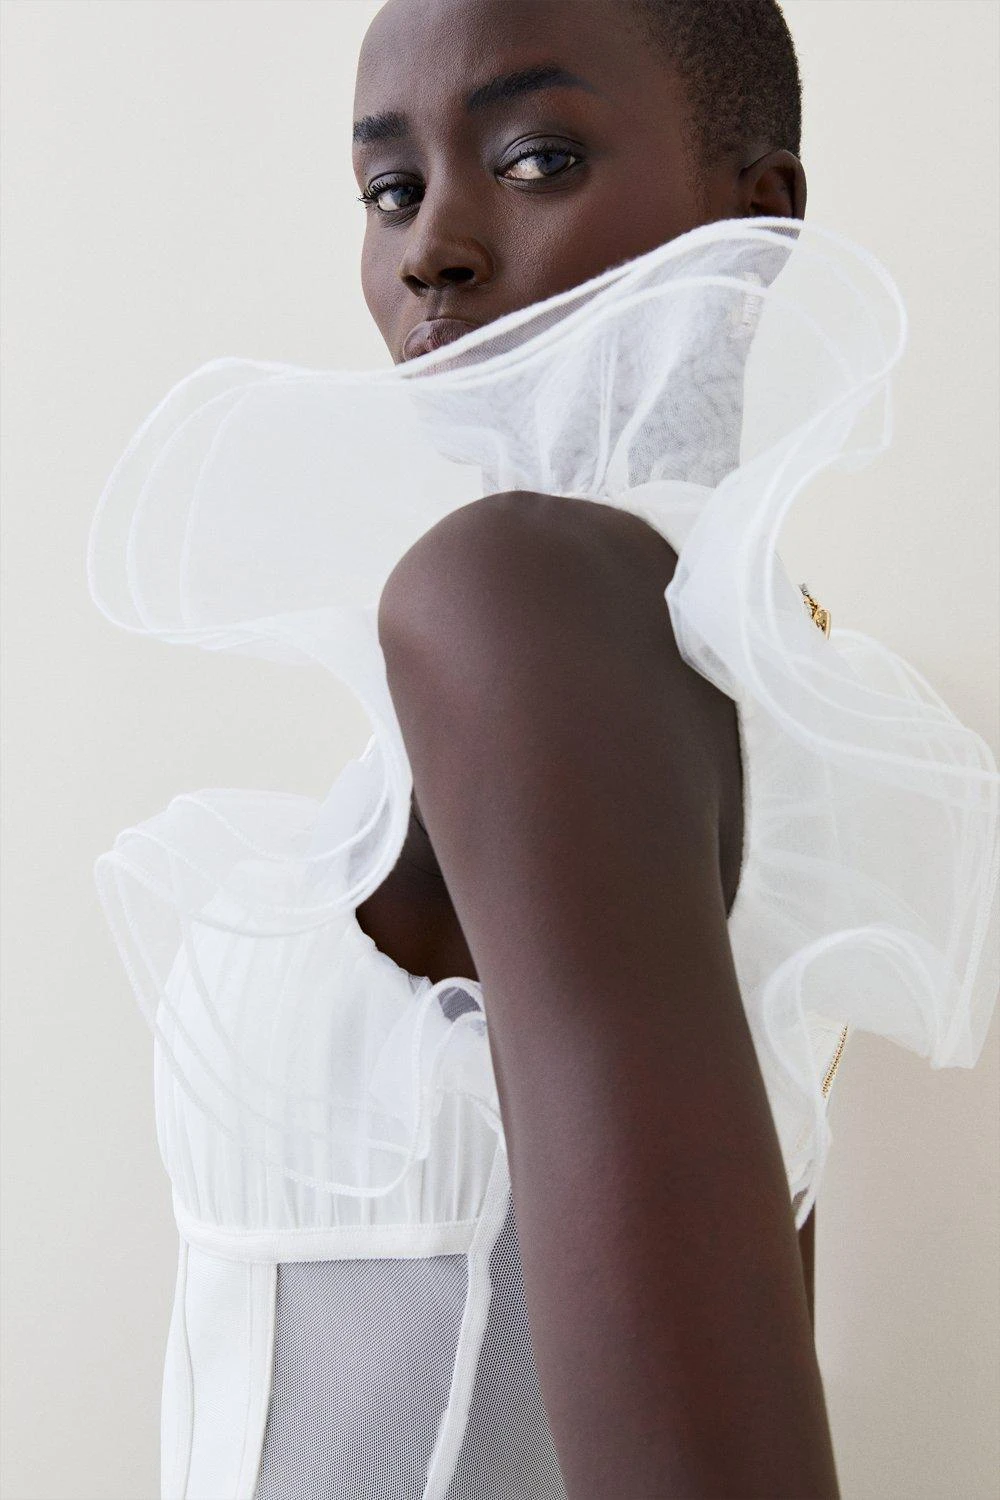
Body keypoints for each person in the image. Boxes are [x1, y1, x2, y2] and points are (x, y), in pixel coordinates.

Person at [86, 2, 999, 1497]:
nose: (431, 249)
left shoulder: (514, 604)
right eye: (391, 190)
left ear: (757, 219)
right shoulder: (755, 654)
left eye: (532, 158)